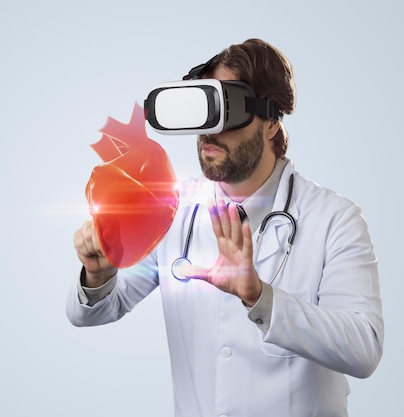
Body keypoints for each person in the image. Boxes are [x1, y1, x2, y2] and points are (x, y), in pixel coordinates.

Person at [66, 38, 384, 417]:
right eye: (201, 111)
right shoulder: (173, 209)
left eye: (226, 112)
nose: (209, 133)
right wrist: (98, 275)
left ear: (270, 121)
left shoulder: (334, 219)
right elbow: (93, 312)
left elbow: (364, 349)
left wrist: (260, 298)